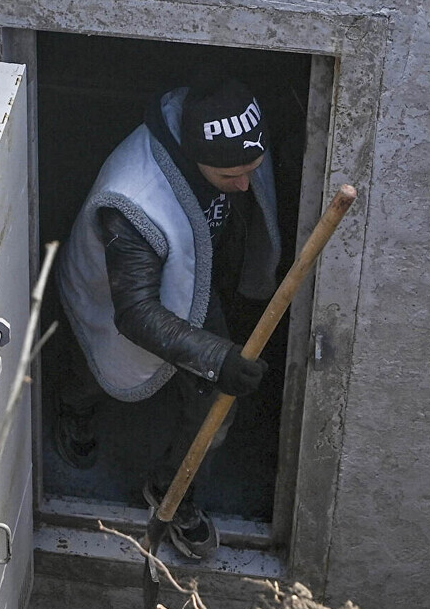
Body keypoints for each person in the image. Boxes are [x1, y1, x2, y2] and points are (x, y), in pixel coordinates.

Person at [55, 78, 282, 562]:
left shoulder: (230, 144)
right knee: (97, 369)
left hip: (189, 276)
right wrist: (218, 357)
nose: (246, 185)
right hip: (112, 296)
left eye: (253, 170)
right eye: (231, 177)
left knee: (216, 408)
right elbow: (136, 313)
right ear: (197, 160)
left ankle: (170, 489)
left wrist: (212, 358)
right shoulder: (134, 200)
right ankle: (74, 410)